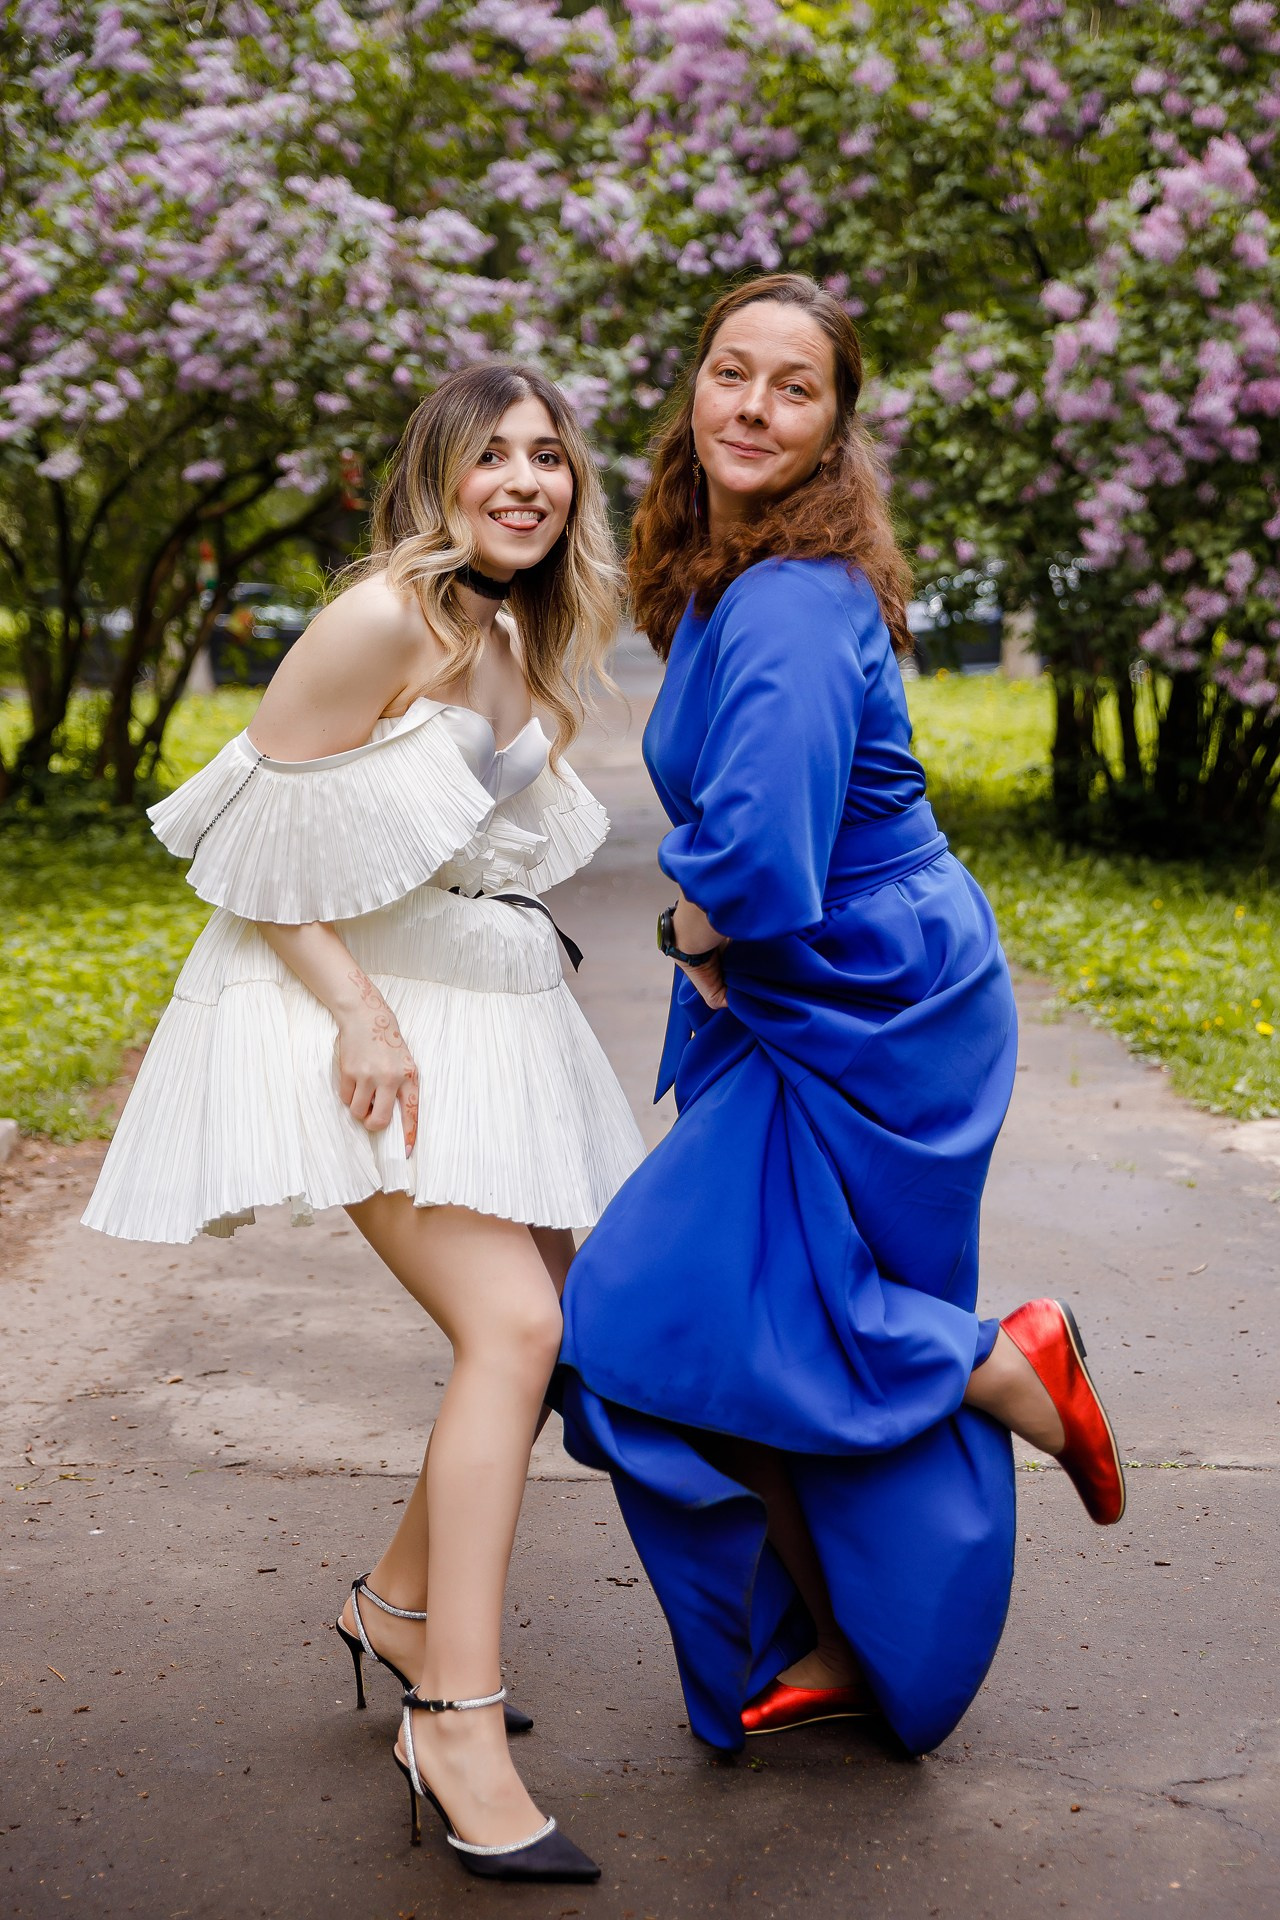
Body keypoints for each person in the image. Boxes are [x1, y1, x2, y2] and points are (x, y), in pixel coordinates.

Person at [83, 363, 646, 1883]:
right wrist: (358, 1012)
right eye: (493, 455)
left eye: (549, 457)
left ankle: (396, 1610)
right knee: (514, 1328)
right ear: (438, 474)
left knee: (555, 1332)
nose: (525, 480)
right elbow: (248, 847)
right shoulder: (382, 618)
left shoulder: (514, 630)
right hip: (355, 1023)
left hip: (482, 1012)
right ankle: (452, 1720)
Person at [555, 274, 1125, 1761]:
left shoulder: (794, 598)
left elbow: (755, 860)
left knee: (646, 1309)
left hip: (872, 994)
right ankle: (855, 1640)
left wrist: (688, 928)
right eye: (729, 372)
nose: (751, 407)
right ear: (694, 390)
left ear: (834, 428)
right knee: (750, 1333)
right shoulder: (730, 574)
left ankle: (997, 1361)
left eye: (792, 387)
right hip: (825, 982)